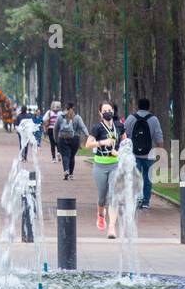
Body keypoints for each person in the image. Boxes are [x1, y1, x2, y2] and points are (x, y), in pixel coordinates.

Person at [85, 101, 122, 236]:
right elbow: (87, 145)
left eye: (109, 110)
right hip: (100, 165)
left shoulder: (119, 126)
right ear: (100, 113)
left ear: (113, 111)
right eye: (105, 110)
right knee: (102, 197)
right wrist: (102, 143)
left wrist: (119, 153)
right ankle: (101, 214)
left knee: (113, 195)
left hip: (115, 165)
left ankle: (112, 227)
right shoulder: (97, 128)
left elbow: (125, 143)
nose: (108, 112)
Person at [124, 97, 164, 209]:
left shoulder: (131, 118)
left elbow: (124, 134)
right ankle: (146, 201)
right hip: (149, 155)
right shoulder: (154, 120)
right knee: (148, 178)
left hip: (134, 155)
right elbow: (159, 138)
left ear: (138, 106)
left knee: (134, 178)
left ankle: (135, 199)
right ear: (149, 107)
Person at [55, 103, 88, 181]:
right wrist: (87, 134)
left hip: (62, 138)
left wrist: (56, 139)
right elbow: (83, 127)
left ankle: (66, 170)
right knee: (72, 156)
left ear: (65, 108)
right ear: (73, 108)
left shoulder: (60, 117)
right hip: (75, 139)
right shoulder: (77, 117)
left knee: (65, 156)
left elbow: (55, 128)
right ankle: (71, 174)